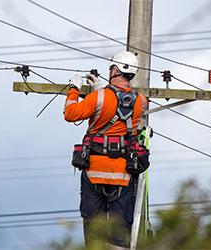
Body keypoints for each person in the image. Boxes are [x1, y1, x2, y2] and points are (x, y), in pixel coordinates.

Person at [64, 51, 149, 249]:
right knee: (119, 235)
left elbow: (70, 113)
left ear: (115, 69)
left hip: (94, 172)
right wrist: (103, 90)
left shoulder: (98, 97)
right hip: (123, 175)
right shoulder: (140, 101)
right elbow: (123, 104)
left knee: (94, 232)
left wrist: (74, 89)